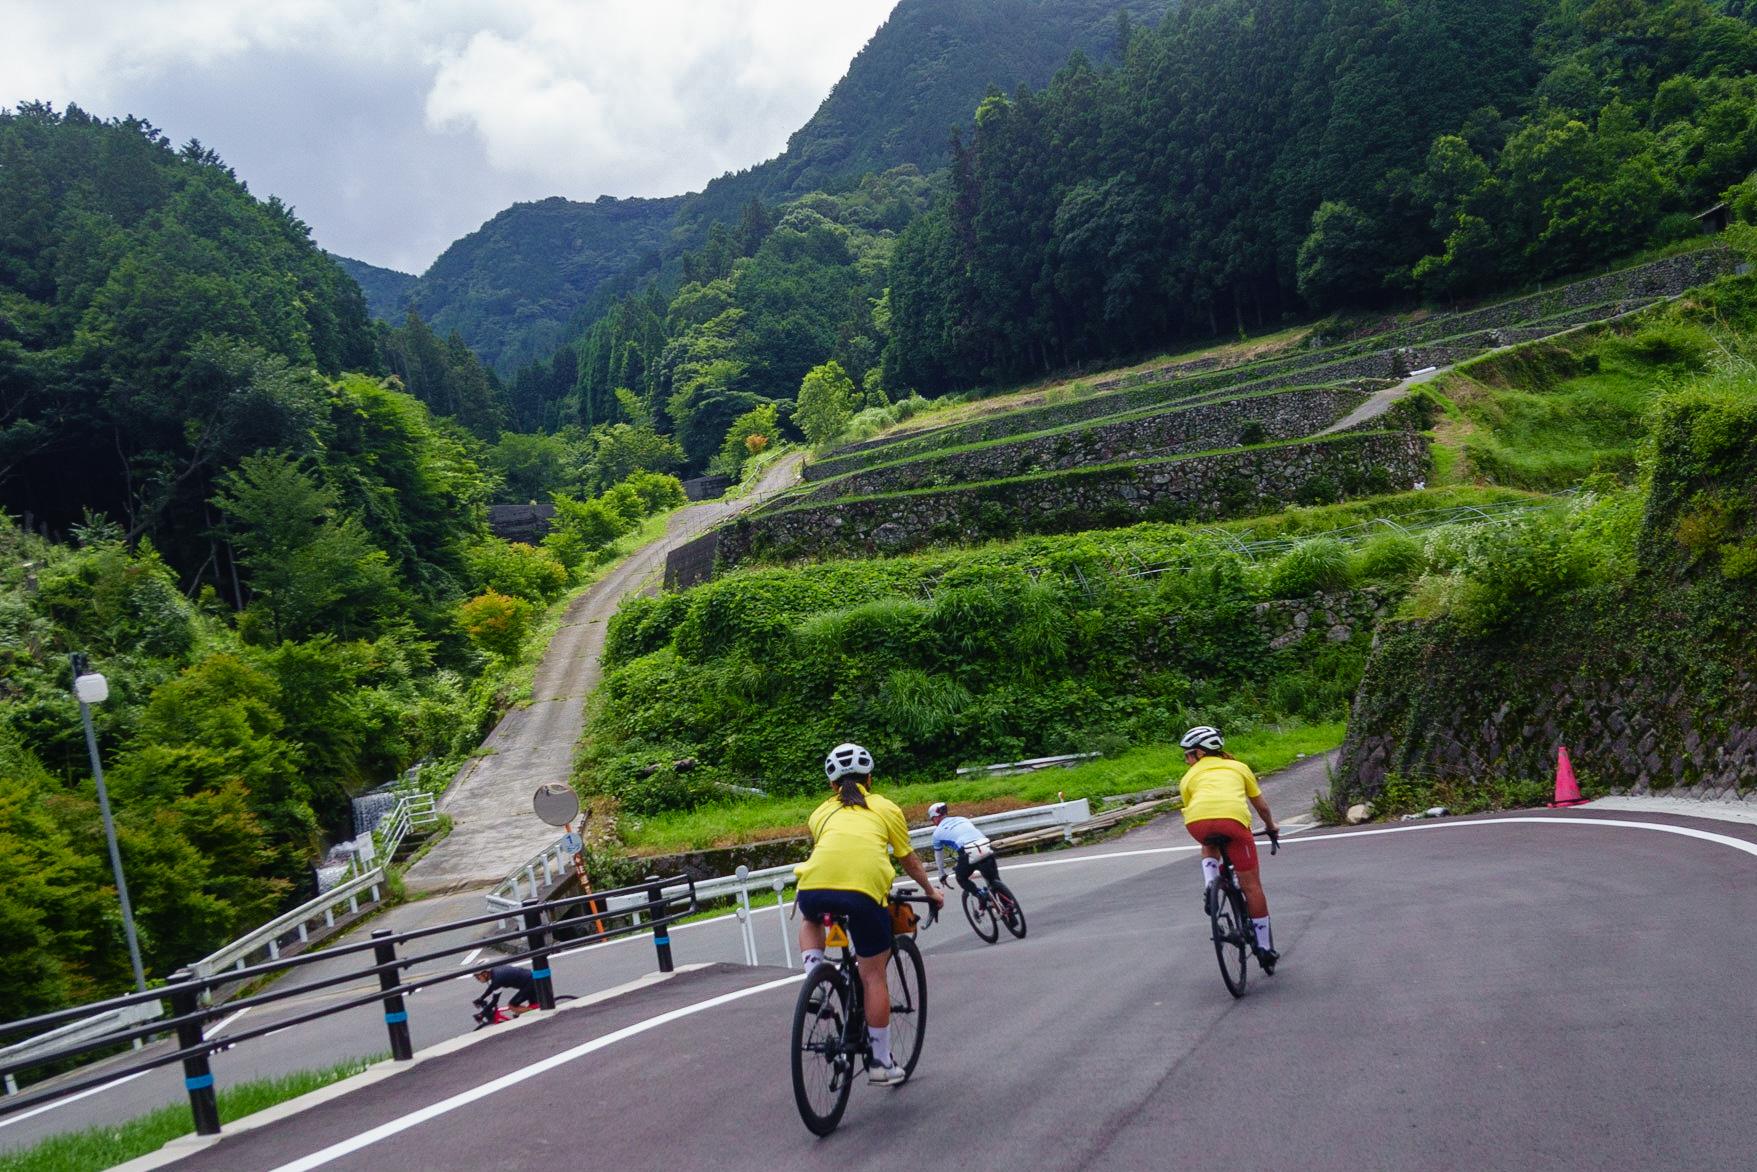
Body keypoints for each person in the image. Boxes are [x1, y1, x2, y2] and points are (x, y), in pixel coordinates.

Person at [795, 742, 944, 1086]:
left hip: (815, 888)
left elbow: (835, 851)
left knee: (811, 918)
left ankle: (815, 977)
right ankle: (879, 1061)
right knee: (872, 975)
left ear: (832, 785)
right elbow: (906, 857)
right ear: (870, 778)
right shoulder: (886, 808)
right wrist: (930, 891)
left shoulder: (819, 813)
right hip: (863, 894)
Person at [1178, 725, 1281, 973]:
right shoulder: (1238, 767)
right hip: (1233, 822)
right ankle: (1265, 948)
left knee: (1209, 845)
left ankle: (1211, 884)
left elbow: (1197, 806)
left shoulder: (1188, 778)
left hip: (1196, 822)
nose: (1186, 759)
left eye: (1188, 754)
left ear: (1201, 753)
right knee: (1252, 886)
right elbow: (1262, 807)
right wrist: (1271, 826)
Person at [926, 802, 1000, 903]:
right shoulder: (962, 819)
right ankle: (1008, 907)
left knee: (961, 878)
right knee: (994, 880)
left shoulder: (937, 833)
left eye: (932, 819)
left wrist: (941, 874)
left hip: (967, 851)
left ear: (936, 817)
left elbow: (939, 857)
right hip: (985, 845)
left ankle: (980, 894)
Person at [473, 963, 539, 1013]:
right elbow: (491, 987)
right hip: (531, 979)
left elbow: (495, 1001)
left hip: (530, 983)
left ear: (485, 974)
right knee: (532, 1005)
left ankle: (537, 1015)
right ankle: (535, 1013)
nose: (478, 980)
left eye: (478, 977)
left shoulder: (497, 979)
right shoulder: (494, 973)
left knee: (512, 1005)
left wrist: (483, 1013)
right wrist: (481, 998)